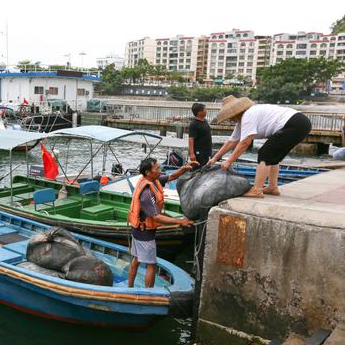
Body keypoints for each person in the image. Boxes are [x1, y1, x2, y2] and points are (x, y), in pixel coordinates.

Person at [208, 95, 312, 198]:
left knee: (264, 153)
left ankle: (257, 190)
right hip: (301, 123)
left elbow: (245, 142)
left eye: (231, 118)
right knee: (272, 157)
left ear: (235, 114)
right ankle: (272, 187)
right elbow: (232, 141)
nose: (231, 120)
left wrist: (229, 161)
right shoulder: (244, 119)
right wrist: (215, 158)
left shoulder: (248, 116)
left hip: (294, 124)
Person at [127, 158, 196, 288]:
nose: (160, 170)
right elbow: (157, 217)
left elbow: (172, 176)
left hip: (137, 229)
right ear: (148, 172)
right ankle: (148, 295)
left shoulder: (153, 180)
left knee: (135, 260)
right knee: (151, 265)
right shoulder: (146, 193)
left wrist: (185, 168)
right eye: (157, 168)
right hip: (144, 233)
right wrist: (181, 221)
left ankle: (129, 287)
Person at [188, 103, 212, 168]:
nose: (206, 111)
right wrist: (192, 154)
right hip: (198, 153)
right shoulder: (194, 124)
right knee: (198, 170)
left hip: (206, 152)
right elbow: (191, 139)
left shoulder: (205, 121)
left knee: (205, 169)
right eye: (204, 109)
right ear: (199, 112)